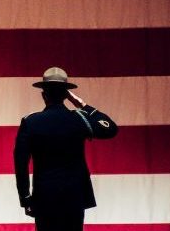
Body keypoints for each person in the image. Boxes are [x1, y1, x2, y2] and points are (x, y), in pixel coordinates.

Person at [14, 67, 118, 231]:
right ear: (66, 95)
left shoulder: (31, 122)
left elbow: (21, 164)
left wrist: (25, 198)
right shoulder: (80, 119)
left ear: (43, 94)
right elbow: (110, 129)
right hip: (74, 195)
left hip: (44, 196)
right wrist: (83, 105)